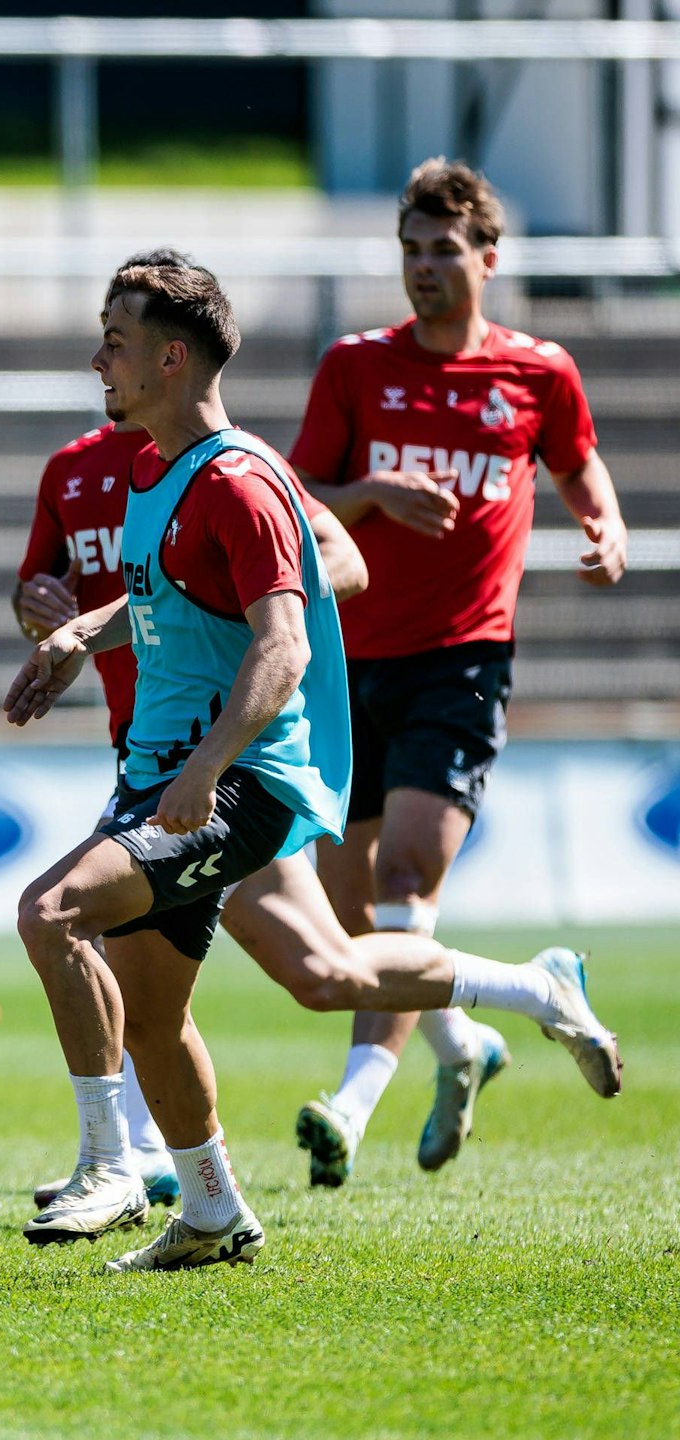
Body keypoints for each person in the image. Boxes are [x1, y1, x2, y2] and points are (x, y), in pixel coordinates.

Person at [5, 260, 620, 1272]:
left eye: (113, 339)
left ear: (169, 356)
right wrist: (85, 636)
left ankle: (110, 1162)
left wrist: (205, 766)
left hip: (230, 778)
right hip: (168, 772)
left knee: (50, 912)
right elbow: (176, 599)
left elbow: (283, 640)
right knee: (246, 993)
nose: (96, 358)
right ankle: (213, 1207)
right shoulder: (156, 471)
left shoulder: (239, 478)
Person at [287, 158, 628, 1187]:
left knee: (401, 885)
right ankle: (476, 1031)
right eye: (409, 250)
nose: (423, 268)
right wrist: (371, 492)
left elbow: (573, 457)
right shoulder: (353, 366)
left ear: (487, 257)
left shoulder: (536, 371)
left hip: (461, 659)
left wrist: (602, 522)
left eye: (442, 250)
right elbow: (300, 499)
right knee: (356, 922)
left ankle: (349, 1106)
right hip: (351, 660)